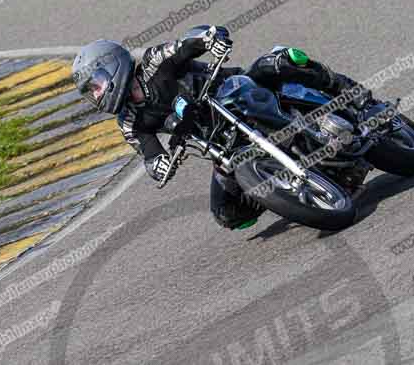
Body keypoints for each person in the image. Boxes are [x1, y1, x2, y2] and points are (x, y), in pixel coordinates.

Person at [72, 25, 360, 229]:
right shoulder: (129, 121)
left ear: (111, 66)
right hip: (222, 142)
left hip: (236, 92)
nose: (97, 94)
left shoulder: (152, 63)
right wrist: (159, 165)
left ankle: (341, 88)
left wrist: (209, 38)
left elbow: (185, 46)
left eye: (96, 85)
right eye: (91, 92)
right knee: (228, 214)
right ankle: (288, 188)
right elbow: (150, 154)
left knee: (276, 63)